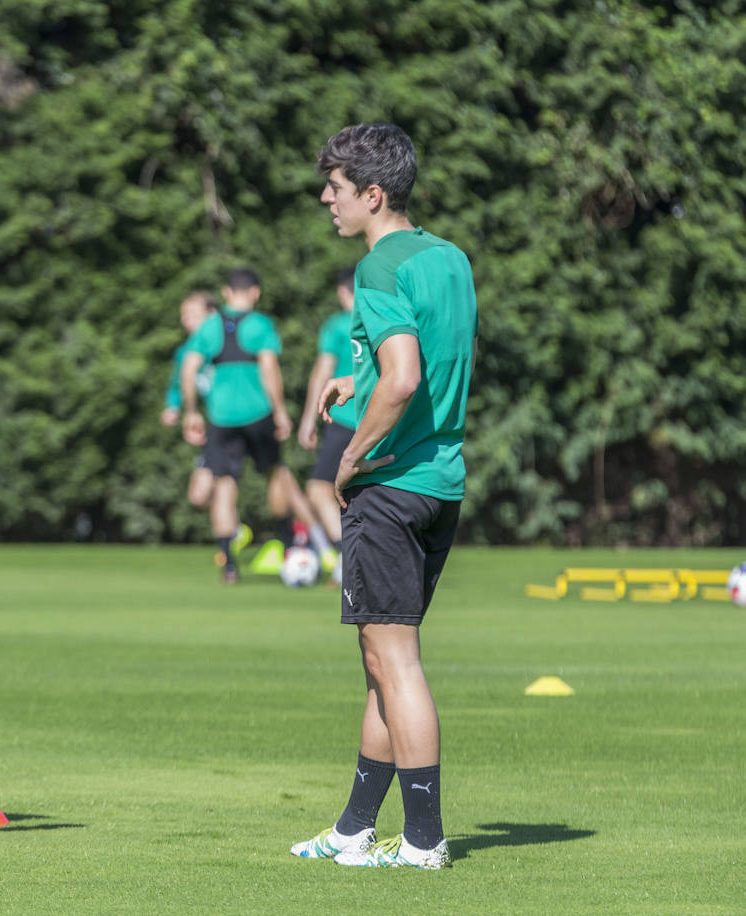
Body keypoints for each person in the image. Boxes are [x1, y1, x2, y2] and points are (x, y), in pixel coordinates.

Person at [290, 123, 476, 869]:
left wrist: (351, 460)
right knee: (380, 656)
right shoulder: (448, 256)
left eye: (333, 188)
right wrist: (352, 380)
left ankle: (424, 840)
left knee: (395, 660)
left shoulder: (376, 269)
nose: (325, 200)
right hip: (441, 481)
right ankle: (354, 829)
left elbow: (402, 378)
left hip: (391, 486)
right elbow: (421, 361)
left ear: (372, 194)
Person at [179, 269, 324, 584]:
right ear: (255, 293)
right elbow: (269, 369)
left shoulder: (209, 327)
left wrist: (191, 412)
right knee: (275, 474)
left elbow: (188, 368)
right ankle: (288, 543)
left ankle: (229, 566)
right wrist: (281, 411)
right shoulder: (261, 325)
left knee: (224, 486)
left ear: (226, 292)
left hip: (220, 417)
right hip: (258, 414)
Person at [296, 268, 357, 567]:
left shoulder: (337, 325)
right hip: (386, 420)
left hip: (345, 419)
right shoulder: (388, 322)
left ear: (342, 292)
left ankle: (345, 558)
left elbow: (322, 371)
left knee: (319, 489)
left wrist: (308, 419)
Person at [160, 291, 217, 511]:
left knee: (278, 476)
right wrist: (173, 407)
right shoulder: (185, 353)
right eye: (183, 315)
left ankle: (304, 537)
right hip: (217, 428)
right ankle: (233, 531)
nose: (186, 320)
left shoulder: (227, 345)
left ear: (212, 314)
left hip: (245, 420)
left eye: (192, 314)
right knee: (198, 494)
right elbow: (177, 384)